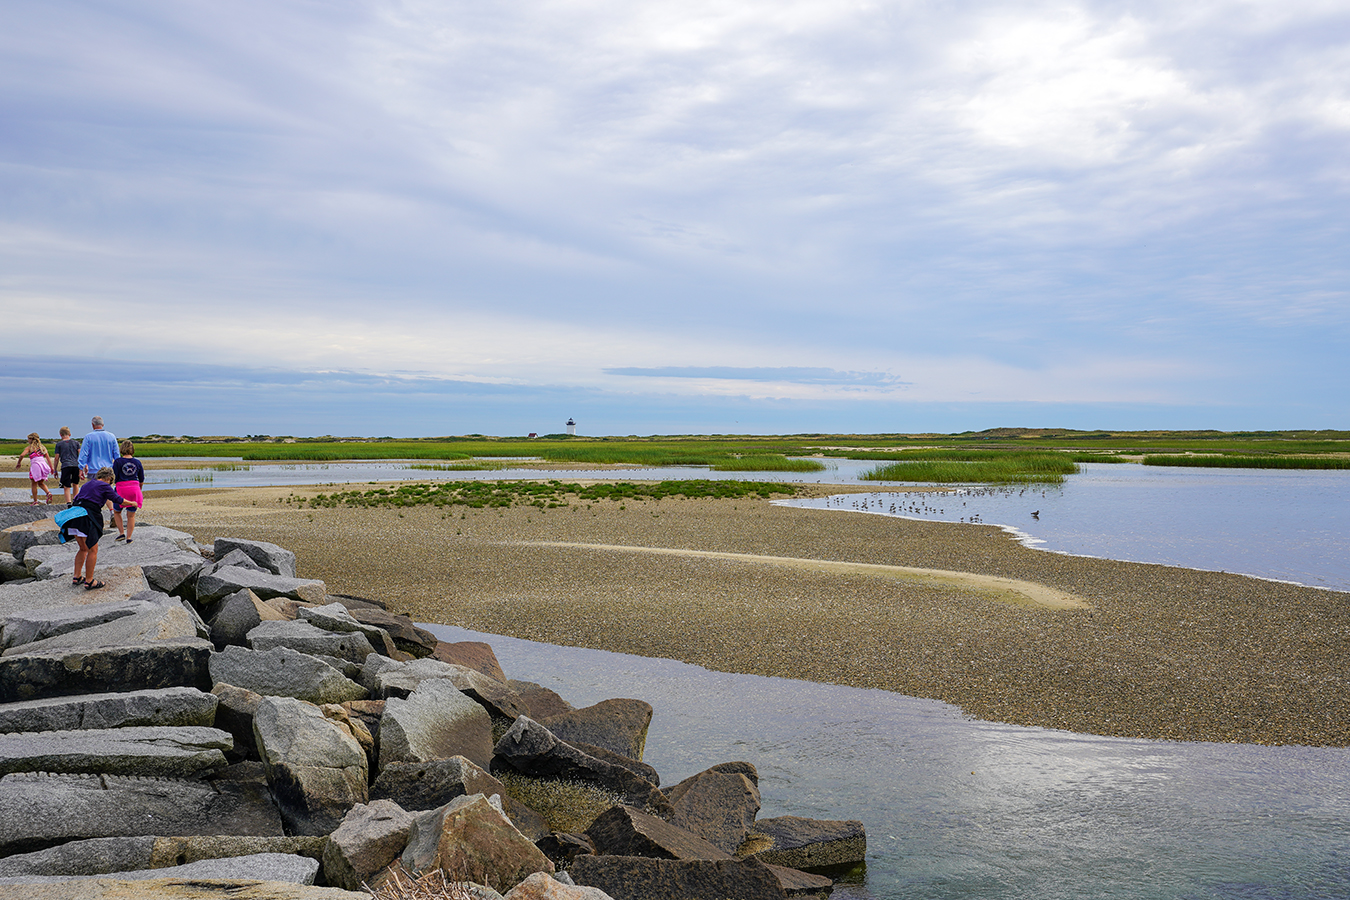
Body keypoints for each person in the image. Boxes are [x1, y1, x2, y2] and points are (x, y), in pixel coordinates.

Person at [57, 466, 136, 590]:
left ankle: (77, 577)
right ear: (109, 478)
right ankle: (89, 581)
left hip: (74, 515)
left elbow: (76, 498)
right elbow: (118, 500)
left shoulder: (87, 484)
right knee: (92, 549)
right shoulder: (105, 486)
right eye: (111, 481)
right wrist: (132, 503)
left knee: (83, 548)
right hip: (87, 517)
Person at [111, 440, 145, 543]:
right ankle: (129, 537)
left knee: (117, 512)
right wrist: (139, 489)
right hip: (134, 489)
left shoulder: (117, 462)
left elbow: (114, 476)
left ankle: (121, 533)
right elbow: (141, 478)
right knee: (131, 515)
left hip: (121, 488)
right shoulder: (137, 462)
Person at [15, 433, 55, 505]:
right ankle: (48, 493)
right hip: (43, 465)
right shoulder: (42, 448)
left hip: (36, 466)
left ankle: (35, 501)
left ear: (31, 439)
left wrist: (19, 463)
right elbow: (48, 458)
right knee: (41, 483)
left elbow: (22, 455)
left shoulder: (30, 448)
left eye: (28, 439)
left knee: (34, 484)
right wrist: (52, 468)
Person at [53, 426, 81, 504]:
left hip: (66, 465)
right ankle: (76, 500)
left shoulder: (59, 444)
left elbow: (56, 458)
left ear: (60, 435)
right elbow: (80, 454)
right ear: (70, 434)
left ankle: (68, 502)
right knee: (76, 484)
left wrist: (55, 469)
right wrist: (83, 466)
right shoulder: (76, 443)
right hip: (76, 465)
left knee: (66, 486)